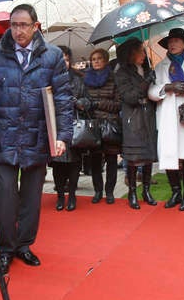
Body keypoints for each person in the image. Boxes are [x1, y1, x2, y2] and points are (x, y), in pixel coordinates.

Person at [0, 4, 72, 274]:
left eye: (24, 25)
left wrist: (62, 136)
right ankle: (5, 249)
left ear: (36, 26)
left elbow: (62, 99)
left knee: (31, 196)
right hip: (3, 134)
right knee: (5, 195)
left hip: (37, 135)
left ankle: (24, 245)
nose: (18, 31)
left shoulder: (52, 56)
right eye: (14, 25)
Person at [148, 27, 184, 211]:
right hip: (167, 115)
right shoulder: (160, 66)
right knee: (169, 153)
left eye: (177, 41)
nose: (173, 44)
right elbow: (151, 91)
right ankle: (176, 192)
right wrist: (167, 87)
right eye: (170, 41)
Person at [114, 37, 158, 209]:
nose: (143, 54)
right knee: (133, 158)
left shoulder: (147, 69)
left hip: (148, 118)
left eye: (143, 51)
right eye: (140, 51)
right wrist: (146, 84)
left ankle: (146, 191)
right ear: (130, 53)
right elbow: (129, 97)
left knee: (148, 157)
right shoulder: (122, 72)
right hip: (132, 119)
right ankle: (132, 192)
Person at [82, 48, 121, 204]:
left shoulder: (114, 79)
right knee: (95, 159)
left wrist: (98, 104)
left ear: (105, 60)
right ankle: (98, 191)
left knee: (111, 159)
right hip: (93, 124)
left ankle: (110, 191)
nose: (96, 61)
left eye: (99, 58)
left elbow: (118, 104)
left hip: (110, 123)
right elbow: (84, 100)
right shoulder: (86, 79)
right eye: (94, 59)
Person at [52, 46, 86, 211]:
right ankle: (59, 195)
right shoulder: (48, 78)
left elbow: (87, 101)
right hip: (54, 125)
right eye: (60, 59)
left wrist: (78, 102)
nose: (63, 62)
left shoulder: (79, 79)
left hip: (74, 125)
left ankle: (72, 195)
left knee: (73, 164)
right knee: (58, 164)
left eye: (65, 59)